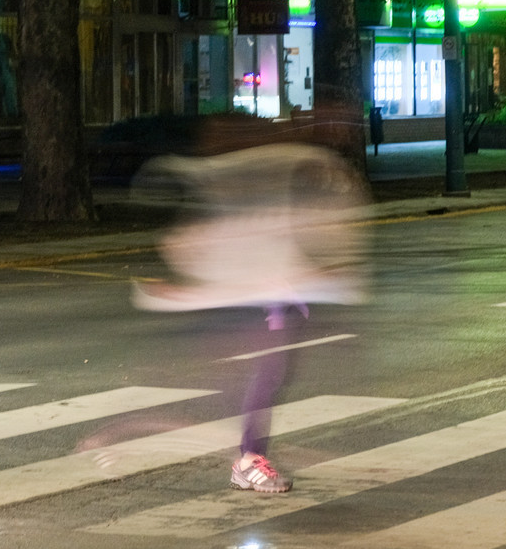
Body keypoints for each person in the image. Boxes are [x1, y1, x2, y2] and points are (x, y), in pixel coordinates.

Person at [132, 139, 369, 493]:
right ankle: (249, 460)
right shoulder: (243, 210)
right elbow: (218, 260)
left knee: (274, 375)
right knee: (267, 375)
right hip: (263, 309)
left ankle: (251, 456)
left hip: (280, 304)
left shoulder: (273, 204)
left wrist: (323, 280)